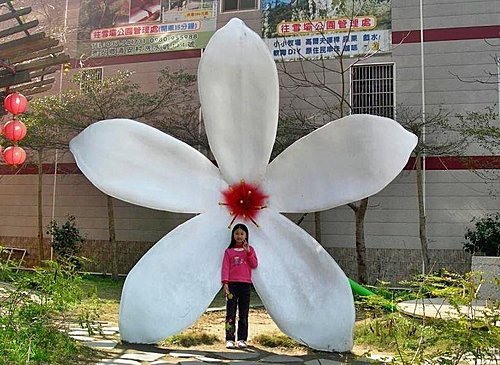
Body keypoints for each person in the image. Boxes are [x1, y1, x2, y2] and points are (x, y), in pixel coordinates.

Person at [221, 223, 258, 349]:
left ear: (246, 235)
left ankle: (242, 339)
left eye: (242, 234)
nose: (239, 236)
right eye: (237, 233)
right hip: (232, 285)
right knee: (230, 313)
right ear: (233, 235)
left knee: (243, 314)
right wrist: (225, 283)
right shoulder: (229, 252)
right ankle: (230, 338)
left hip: (245, 286)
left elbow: (254, 264)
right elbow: (225, 268)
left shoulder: (250, 250)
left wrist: (248, 253)